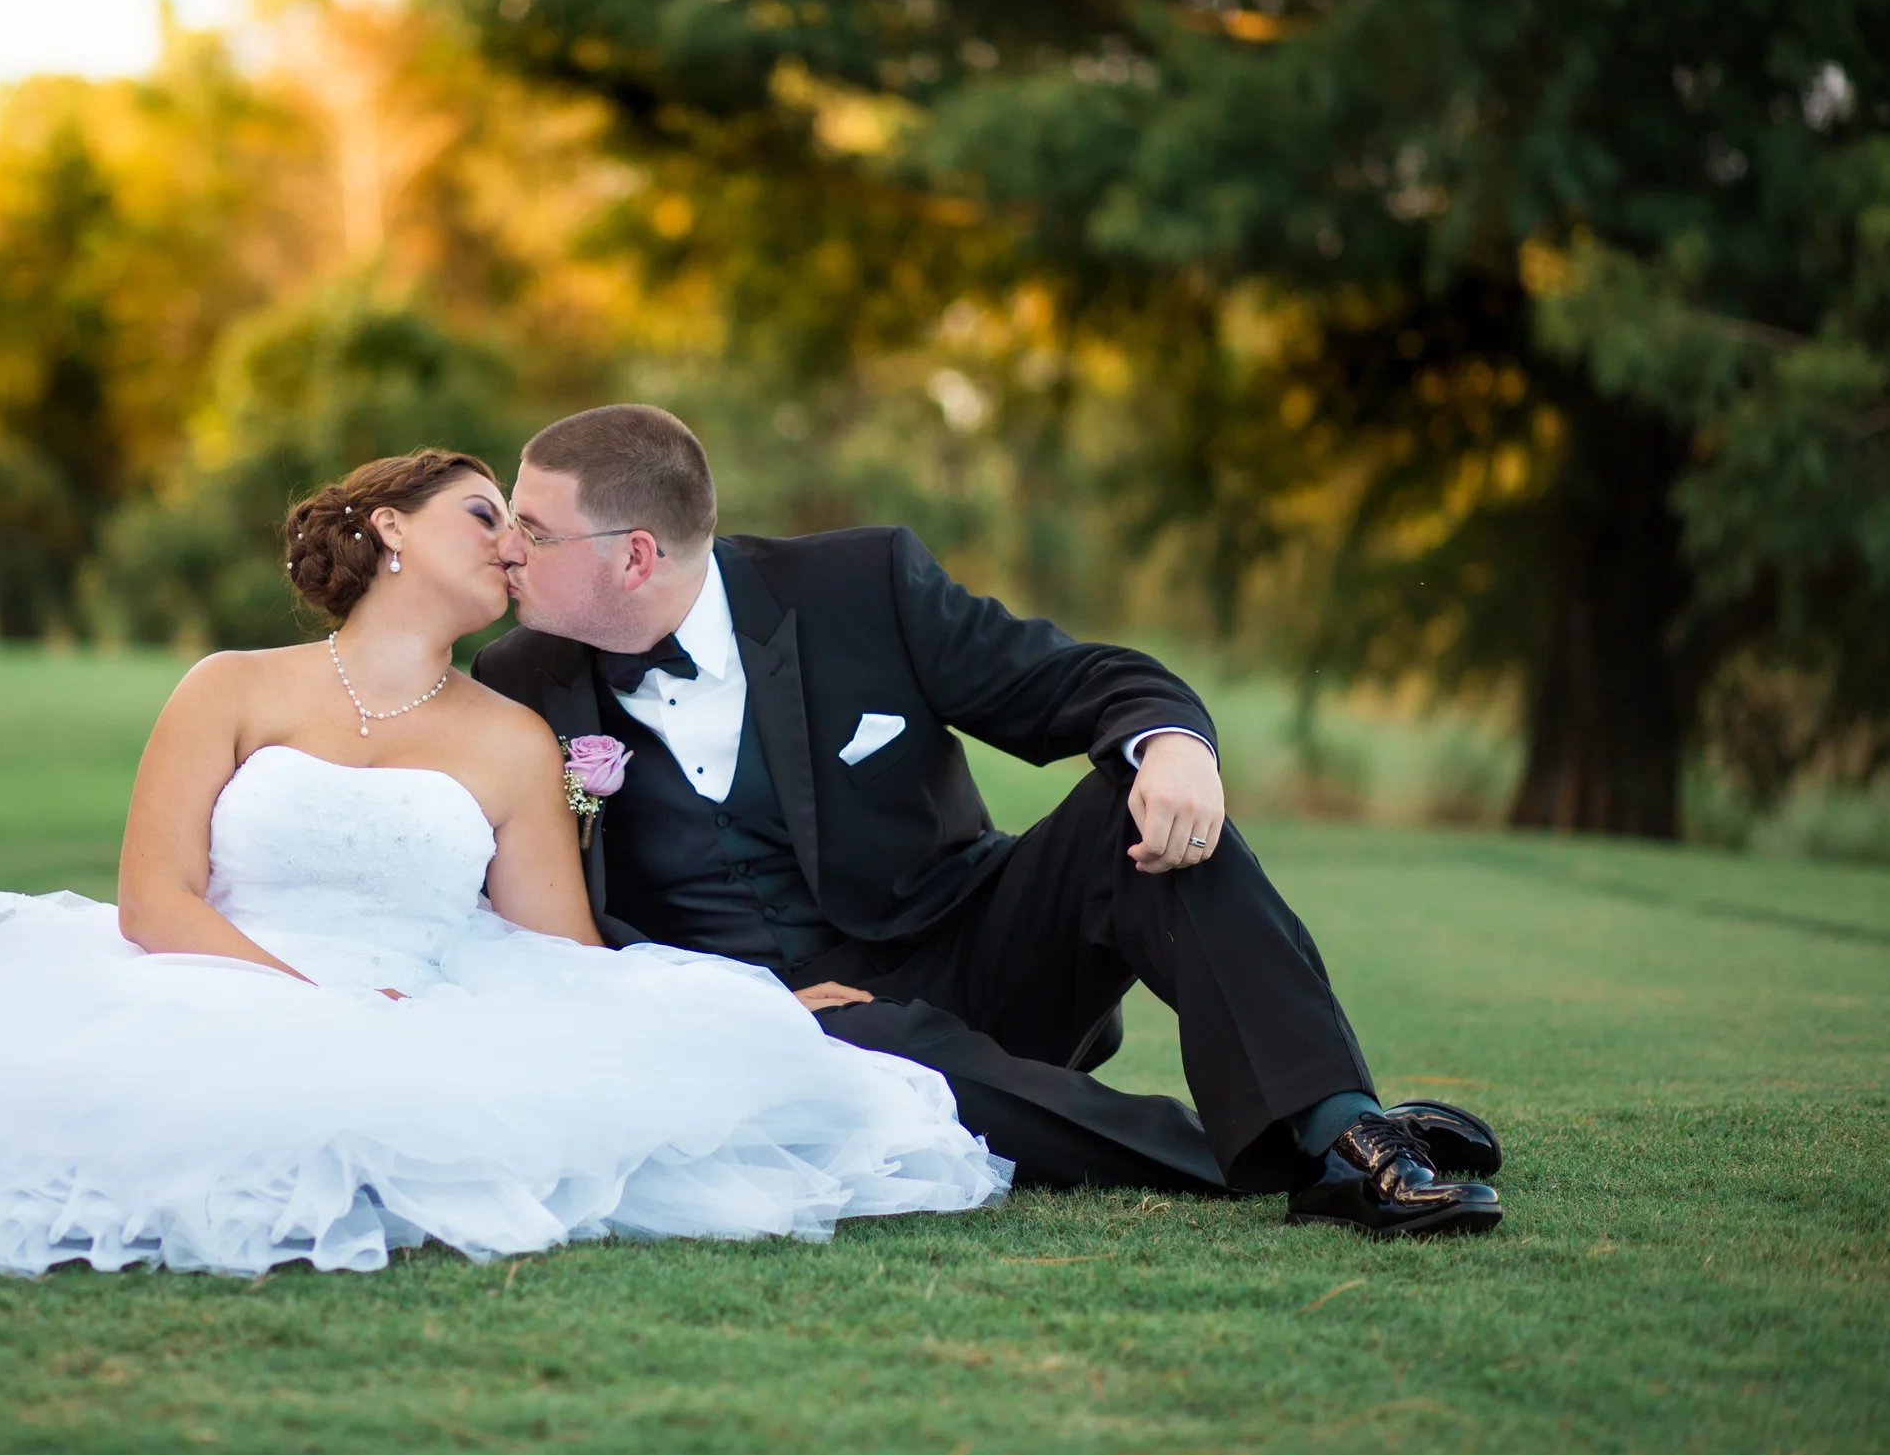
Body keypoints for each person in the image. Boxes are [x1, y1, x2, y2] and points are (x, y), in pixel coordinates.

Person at [0, 451, 1009, 1276]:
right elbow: (154, 897)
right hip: (199, 979)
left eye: (527, 527)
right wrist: (309, 1007)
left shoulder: (509, 738)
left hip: (427, 999)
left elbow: (564, 962)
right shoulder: (228, 684)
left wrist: (728, 1012)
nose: (516, 543)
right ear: (388, 529)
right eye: (486, 513)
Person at [472, 405, 1503, 1239]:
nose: (507, 551)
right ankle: (1320, 1149)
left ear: (636, 554)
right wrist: (743, 1002)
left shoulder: (858, 584)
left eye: (535, 529)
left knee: (1125, 810)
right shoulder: (518, 680)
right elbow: (561, 916)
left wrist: (1174, 744)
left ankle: (1337, 1117)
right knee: (876, 1044)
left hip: (975, 950)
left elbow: (1079, 680)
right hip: (775, 1025)